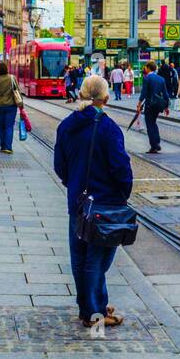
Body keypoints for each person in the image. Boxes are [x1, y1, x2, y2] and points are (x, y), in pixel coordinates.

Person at [54, 74, 132, 329]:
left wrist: (73, 185)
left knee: (80, 258)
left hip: (77, 201)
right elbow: (121, 168)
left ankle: (89, 305)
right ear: (105, 98)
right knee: (98, 259)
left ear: (80, 95)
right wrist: (122, 193)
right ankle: (94, 313)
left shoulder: (66, 125)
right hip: (105, 203)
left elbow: (60, 166)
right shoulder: (109, 128)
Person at [137, 60, 169, 154]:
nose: (145, 68)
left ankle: (154, 145)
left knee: (150, 125)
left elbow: (144, 93)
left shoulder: (147, 78)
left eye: (145, 67)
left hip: (149, 105)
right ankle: (157, 142)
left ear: (148, 68)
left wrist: (139, 104)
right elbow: (165, 94)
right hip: (158, 105)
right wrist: (166, 107)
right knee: (153, 123)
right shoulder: (161, 79)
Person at [0, 60, 19, 155]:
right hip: (11, 106)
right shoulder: (12, 78)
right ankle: (8, 147)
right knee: (9, 126)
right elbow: (17, 91)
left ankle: (2, 146)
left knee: (1, 126)